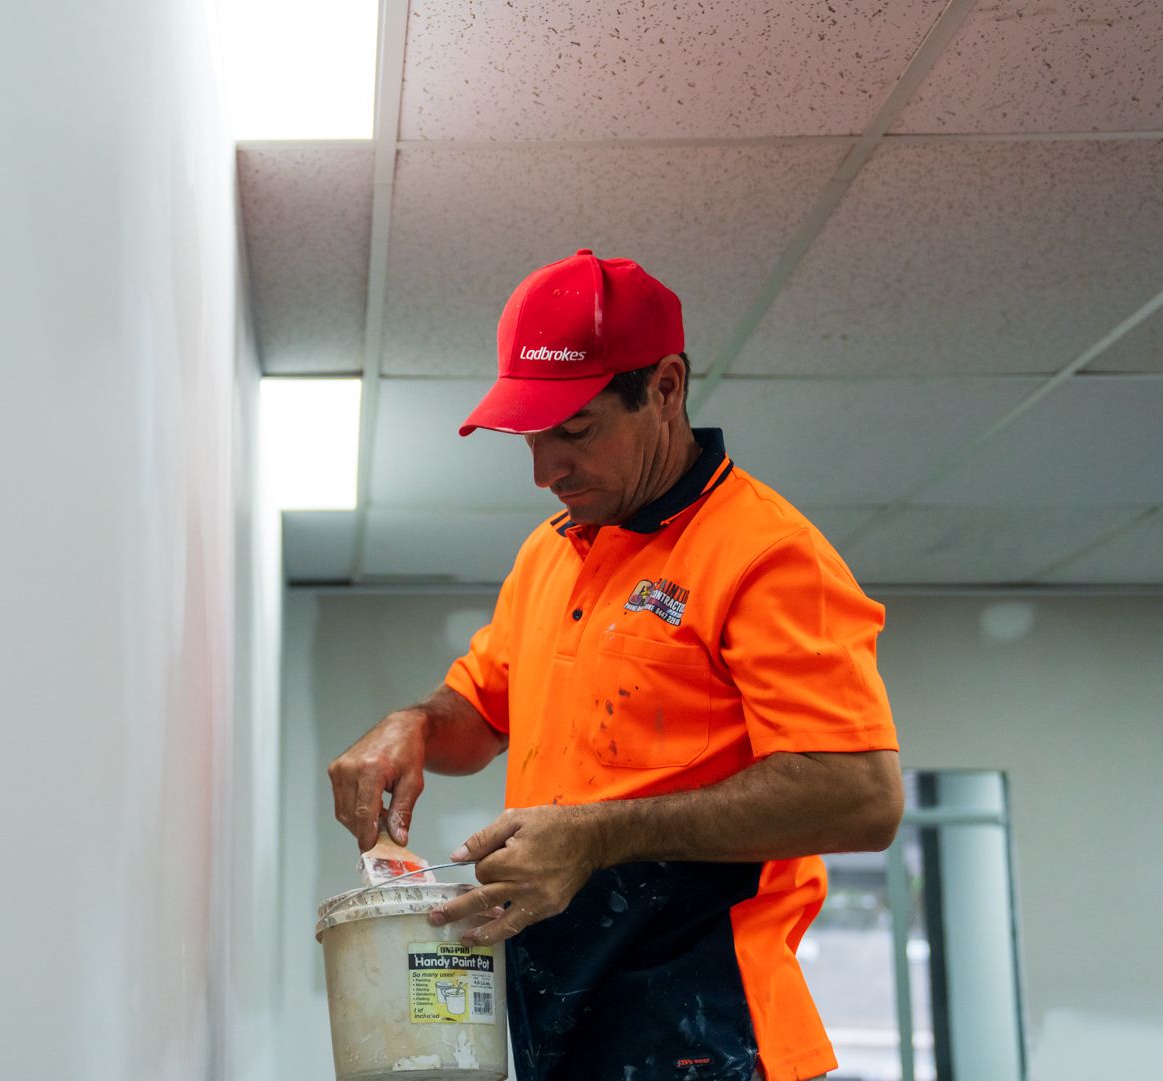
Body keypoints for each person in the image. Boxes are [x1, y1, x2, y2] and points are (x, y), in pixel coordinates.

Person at [326, 250, 902, 1081]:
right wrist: (412, 725)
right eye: (531, 437)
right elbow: (480, 714)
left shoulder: (767, 553)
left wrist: (598, 835)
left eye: (575, 431)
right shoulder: (552, 553)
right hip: (564, 1022)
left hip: (710, 1029)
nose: (545, 471)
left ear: (665, 387)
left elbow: (861, 796)